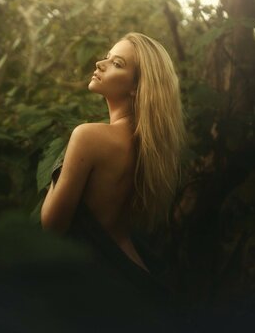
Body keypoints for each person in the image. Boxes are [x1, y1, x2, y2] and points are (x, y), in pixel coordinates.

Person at [40, 32, 186, 295]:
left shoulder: (89, 137)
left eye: (117, 63)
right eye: (107, 58)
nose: (99, 64)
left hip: (93, 283)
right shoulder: (150, 149)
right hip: (134, 274)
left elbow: (51, 224)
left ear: (136, 87)